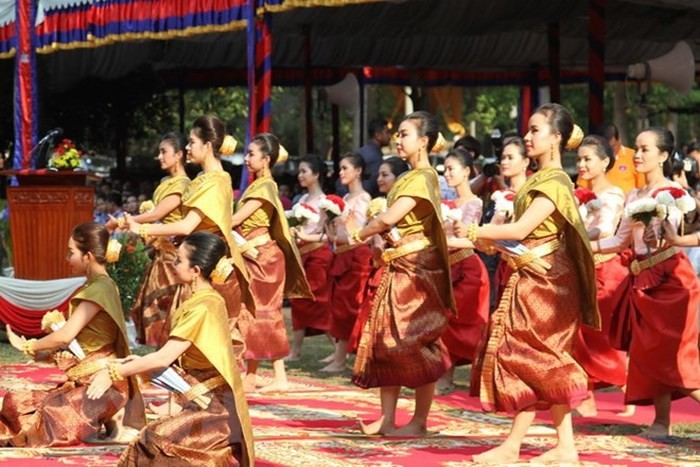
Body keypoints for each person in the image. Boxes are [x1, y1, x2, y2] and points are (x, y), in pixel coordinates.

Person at [457, 103, 599, 463]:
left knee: (531, 356)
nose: (528, 135)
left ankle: (519, 445)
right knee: (532, 357)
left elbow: (522, 230)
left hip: (550, 281)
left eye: (536, 130)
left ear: (556, 138)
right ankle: (558, 447)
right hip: (533, 272)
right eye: (529, 129)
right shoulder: (539, 180)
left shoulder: (555, 181)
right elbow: (523, 237)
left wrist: (478, 230)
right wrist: (490, 241)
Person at [87, 232, 254, 466]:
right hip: (203, 400)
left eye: (178, 261)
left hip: (215, 409)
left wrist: (115, 373)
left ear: (195, 271)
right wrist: (130, 363)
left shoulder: (204, 306)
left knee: (154, 442)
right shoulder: (201, 300)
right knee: (152, 441)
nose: (173, 266)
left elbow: (164, 357)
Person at [350, 111, 455, 436]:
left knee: (416, 341)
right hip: (399, 265)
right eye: (398, 134)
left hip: (419, 270)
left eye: (405, 134)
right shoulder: (407, 177)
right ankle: (387, 418)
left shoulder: (424, 177)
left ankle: (420, 421)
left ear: (424, 141)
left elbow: (388, 219)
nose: (398, 139)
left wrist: (357, 234)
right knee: (385, 340)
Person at [591, 127, 700, 437]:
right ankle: (661, 422)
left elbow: (672, 233)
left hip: (671, 282)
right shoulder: (633, 195)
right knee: (648, 353)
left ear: (664, 156)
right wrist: (581, 245)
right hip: (642, 279)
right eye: (636, 148)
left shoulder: (673, 193)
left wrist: (661, 232)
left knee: (674, 357)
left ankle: (663, 421)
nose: (637, 155)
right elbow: (619, 241)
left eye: (645, 149)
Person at [0, 222, 145, 446]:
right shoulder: (99, 286)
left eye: (71, 253)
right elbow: (83, 343)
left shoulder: (99, 289)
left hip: (102, 385)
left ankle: (107, 423)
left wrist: (28, 345)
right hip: (88, 380)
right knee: (16, 402)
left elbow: (65, 336)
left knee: (44, 421)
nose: (67, 258)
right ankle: (105, 424)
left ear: (88, 256)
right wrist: (48, 354)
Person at [126, 115, 251, 349]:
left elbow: (186, 226)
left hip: (209, 266)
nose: (187, 147)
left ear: (208, 146)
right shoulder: (204, 180)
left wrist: (140, 227)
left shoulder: (214, 181)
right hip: (198, 263)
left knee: (204, 341)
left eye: (192, 142)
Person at [234, 133, 311, 393]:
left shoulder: (265, 186)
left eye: (251, 154)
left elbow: (236, 220)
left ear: (266, 159)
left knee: (264, 313)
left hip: (263, 257)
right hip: (255, 254)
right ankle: (254, 375)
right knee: (256, 313)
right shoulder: (258, 185)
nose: (246, 158)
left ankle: (278, 377)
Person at [572, 134, 631, 417]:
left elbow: (606, 228)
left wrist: (574, 236)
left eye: (588, 159)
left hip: (605, 270)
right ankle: (586, 397)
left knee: (603, 337)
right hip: (582, 268)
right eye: (579, 159)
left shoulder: (613, 194)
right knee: (580, 335)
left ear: (605, 162)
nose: (581, 164)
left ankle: (630, 389)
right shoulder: (577, 192)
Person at [114, 132, 190, 347]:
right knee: (152, 302)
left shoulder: (182, 184)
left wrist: (123, 221)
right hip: (162, 252)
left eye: (164, 152)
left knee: (165, 302)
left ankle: (169, 354)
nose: (159, 156)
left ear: (178, 155)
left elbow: (156, 215)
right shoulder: (168, 182)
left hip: (174, 253)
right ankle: (160, 354)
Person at [437, 147, 489, 394]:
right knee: (443, 322)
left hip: (467, 268)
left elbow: (471, 239)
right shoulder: (446, 203)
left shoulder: (474, 202)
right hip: (446, 267)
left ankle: (478, 377)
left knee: (465, 324)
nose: (447, 174)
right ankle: (444, 376)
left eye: (451, 169)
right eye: (445, 169)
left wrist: (440, 241)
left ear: (467, 171)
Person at [324, 152, 373, 372]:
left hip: (356, 255)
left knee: (349, 307)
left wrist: (338, 237)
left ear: (358, 171)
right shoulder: (344, 200)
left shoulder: (364, 199)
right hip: (341, 253)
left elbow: (364, 233)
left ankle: (342, 358)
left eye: (345, 168)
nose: (341, 172)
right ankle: (338, 353)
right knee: (337, 305)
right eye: (340, 168)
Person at [288, 155, 335, 360]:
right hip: (302, 253)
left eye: (304, 171)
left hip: (318, 254)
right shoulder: (301, 200)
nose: (300, 175)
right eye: (299, 172)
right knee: (298, 299)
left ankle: (336, 347)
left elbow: (326, 234)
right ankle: (296, 350)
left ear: (316, 175)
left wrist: (305, 236)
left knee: (319, 302)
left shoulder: (325, 203)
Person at [578, 123, 644, 194]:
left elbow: (642, 187)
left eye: (612, 147)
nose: (609, 151)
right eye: (578, 159)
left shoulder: (634, 157)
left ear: (619, 140)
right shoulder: (586, 165)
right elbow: (582, 188)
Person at [358, 118, 392, 197]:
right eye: (387, 132)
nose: (390, 136)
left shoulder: (363, 150)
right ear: (378, 135)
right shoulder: (375, 157)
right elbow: (372, 186)